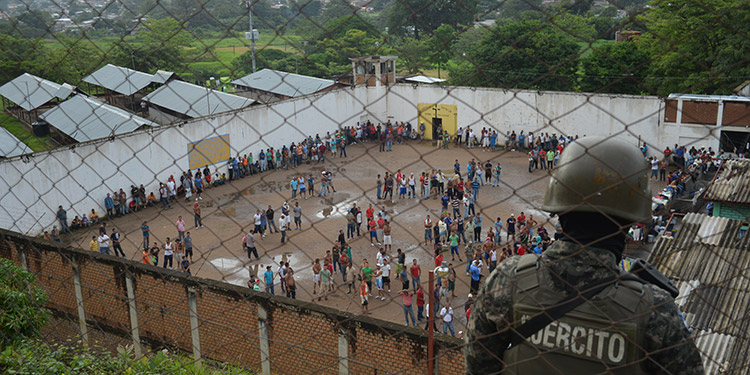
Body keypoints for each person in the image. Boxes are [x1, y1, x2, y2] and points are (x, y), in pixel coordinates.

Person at [465, 136, 704, 374]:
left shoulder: (508, 281)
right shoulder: (655, 311)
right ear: (631, 221)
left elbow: (478, 367)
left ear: (559, 209)